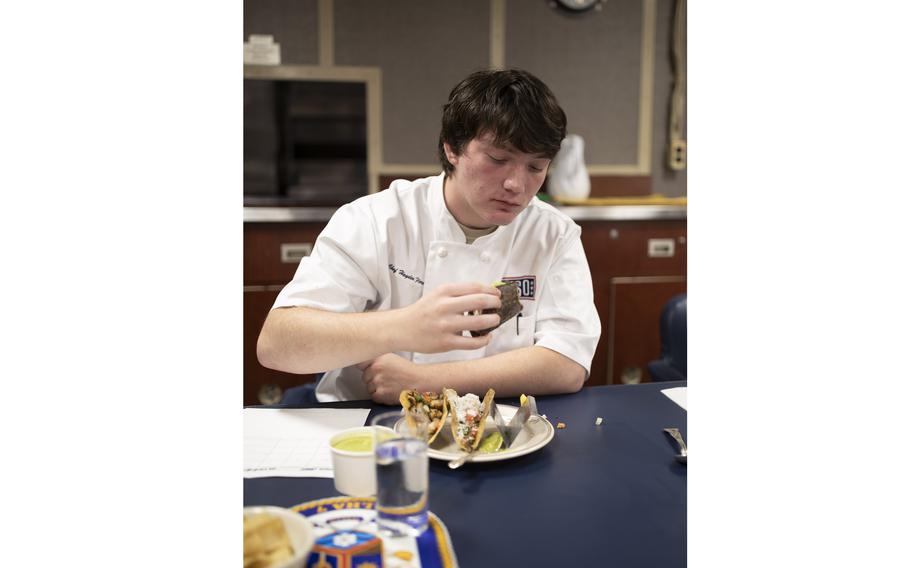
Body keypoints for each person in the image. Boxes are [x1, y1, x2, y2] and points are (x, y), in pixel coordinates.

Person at [257, 68, 601, 404]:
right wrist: (406, 326)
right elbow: (277, 345)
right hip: (370, 423)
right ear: (452, 148)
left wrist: (424, 382)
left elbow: (568, 363)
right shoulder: (377, 219)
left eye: (535, 167)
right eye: (498, 159)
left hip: (498, 425)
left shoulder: (553, 233)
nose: (516, 185)